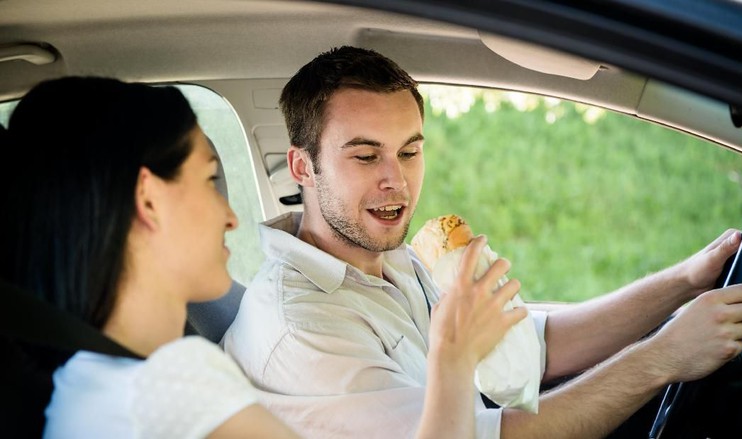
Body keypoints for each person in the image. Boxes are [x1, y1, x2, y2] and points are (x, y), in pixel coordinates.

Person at [222, 46, 742, 438]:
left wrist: (682, 283)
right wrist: (663, 357)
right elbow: (490, 437)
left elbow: (532, 349)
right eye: (365, 156)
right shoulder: (303, 329)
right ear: (303, 167)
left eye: (409, 152)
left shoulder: (391, 259)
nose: (398, 180)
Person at [0, 76, 522, 438]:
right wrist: (451, 362)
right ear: (149, 199)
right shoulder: (165, 384)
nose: (231, 217)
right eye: (208, 180)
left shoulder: (89, 381)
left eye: (410, 150)